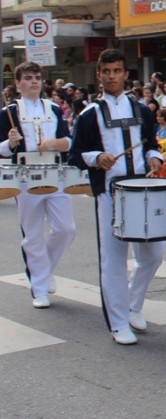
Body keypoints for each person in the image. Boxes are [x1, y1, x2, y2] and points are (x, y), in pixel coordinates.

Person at [69, 49, 165, 346]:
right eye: (106, 71)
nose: (112, 76)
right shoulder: (89, 115)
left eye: (117, 71)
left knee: (153, 254)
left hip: (142, 189)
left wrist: (154, 157)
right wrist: (97, 157)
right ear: (99, 75)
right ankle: (118, 322)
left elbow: (151, 143)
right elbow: (75, 155)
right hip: (109, 194)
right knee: (114, 258)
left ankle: (133, 305)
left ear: (126, 74)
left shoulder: (143, 110)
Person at [0, 62, 76, 309]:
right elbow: (1, 150)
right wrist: (10, 144)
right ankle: (40, 288)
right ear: (19, 83)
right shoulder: (8, 112)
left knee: (66, 228)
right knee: (32, 235)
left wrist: (54, 142)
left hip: (55, 174)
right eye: (29, 78)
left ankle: (43, 271)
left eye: (38, 77)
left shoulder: (54, 109)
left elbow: (68, 141)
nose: (34, 81)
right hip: (24, 177)